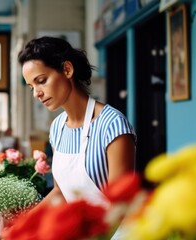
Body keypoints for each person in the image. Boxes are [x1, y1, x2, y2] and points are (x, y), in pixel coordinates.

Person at [17, 36, 137, 238]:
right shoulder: (57, 128)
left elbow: (120, 205)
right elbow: (60, 192)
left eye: (41, 81)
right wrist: (21, 226)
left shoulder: (112, 124)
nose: (37, 93)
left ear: (67, 70)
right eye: (31, 87)